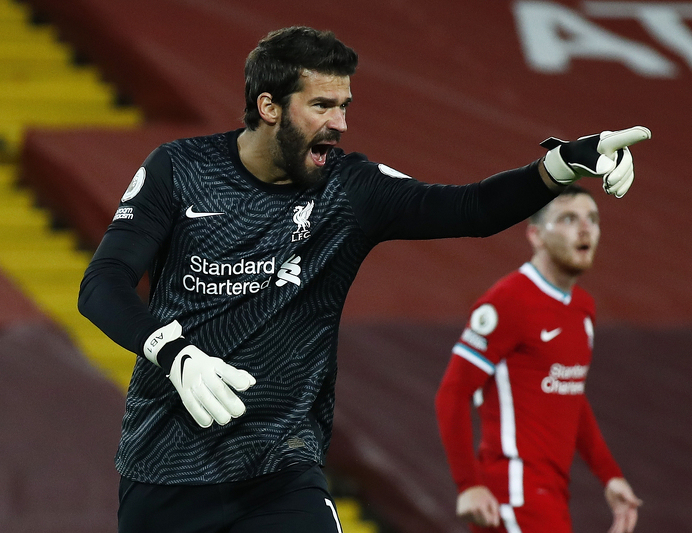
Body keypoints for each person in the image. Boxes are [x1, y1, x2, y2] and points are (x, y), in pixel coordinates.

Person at [77, 25, 649, 533]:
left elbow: (471, 209)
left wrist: (567, 162)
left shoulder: (351, 189)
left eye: (345, 105)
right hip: (165, 472)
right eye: (323, 105)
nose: (341, 124)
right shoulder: (179, 169)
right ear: (269, 106)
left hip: (282, 473)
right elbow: (102, 284)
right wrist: (175, 353)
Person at [435, 185, 642, 533]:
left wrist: (609, 475)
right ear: (535, 235)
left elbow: (571, 395)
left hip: (550, 495)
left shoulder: (582, 308)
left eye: (592, 218)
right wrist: (467, 485)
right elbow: (453, 392)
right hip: (513, 493)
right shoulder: (509, 301)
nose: (585, 228)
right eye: (568, 219)